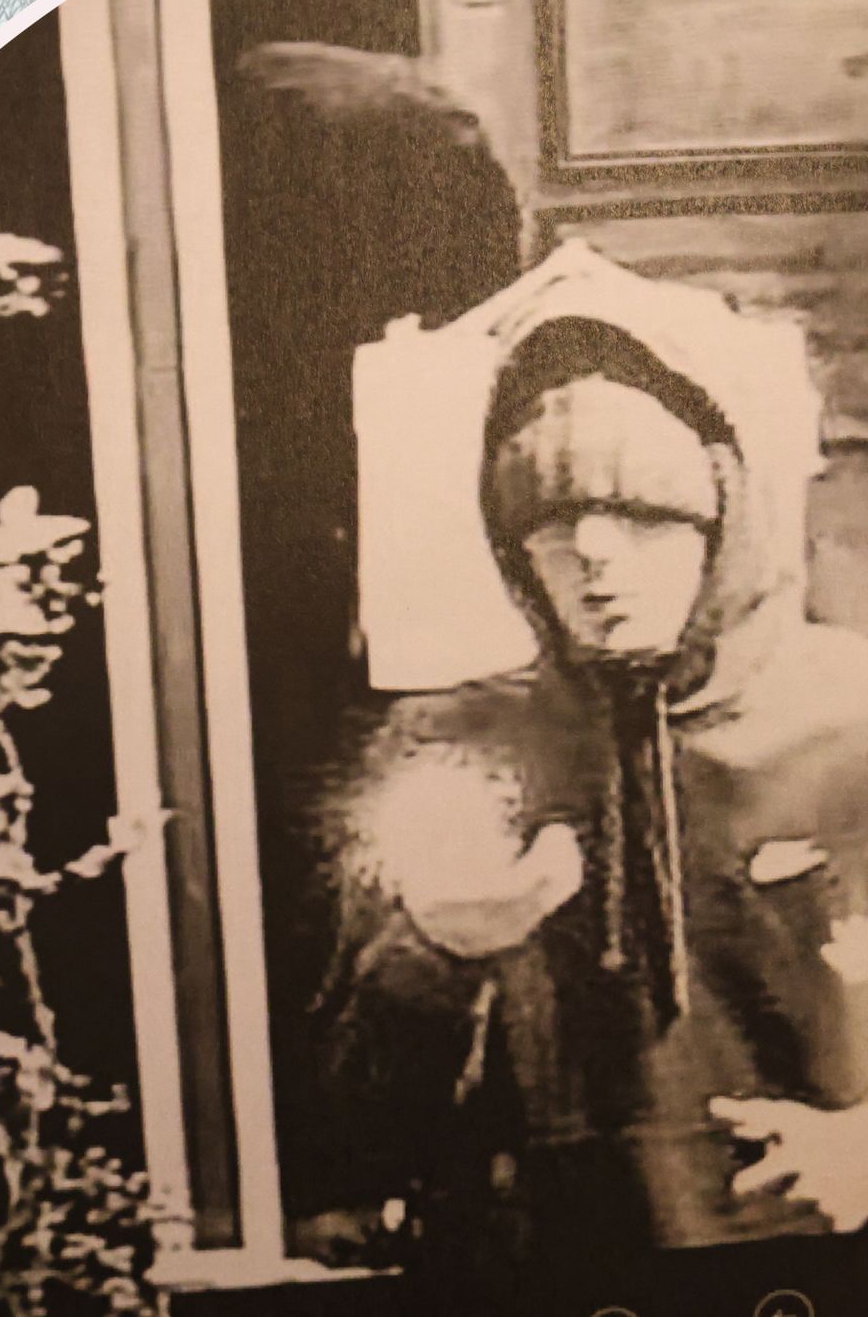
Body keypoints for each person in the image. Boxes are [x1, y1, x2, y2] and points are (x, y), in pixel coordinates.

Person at [327, 257, 868, 1267]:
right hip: (547, 1266)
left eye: (645, 516)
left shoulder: (852, 718)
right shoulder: (456, 749)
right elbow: (345, 1130)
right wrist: (436, 952)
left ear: (727, 516)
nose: (596, 557)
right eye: (550, 524)